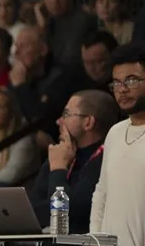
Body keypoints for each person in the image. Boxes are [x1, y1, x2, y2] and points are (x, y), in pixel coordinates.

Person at [32, 90, 117, 234]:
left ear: (88, 122)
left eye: (66, 114)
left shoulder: (106, 159)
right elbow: (34, 211)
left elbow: (65, 216)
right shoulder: (61, 152)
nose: (59, 121)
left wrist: (58, 170)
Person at [91, 44, 145, 246]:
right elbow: (102, 191)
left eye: (132, 80)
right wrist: (94, 235)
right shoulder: (115, 132)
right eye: (117, 83)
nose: (122, 89)